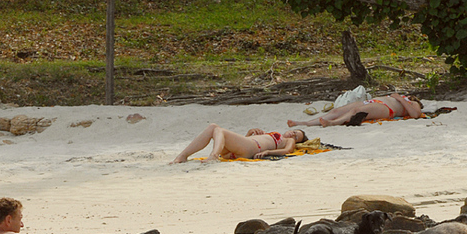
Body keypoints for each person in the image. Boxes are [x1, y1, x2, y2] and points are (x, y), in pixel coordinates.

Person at [170, 124, 307, 163]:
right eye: (294, 131)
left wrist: (268, 152)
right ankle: (182, 156)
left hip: (254, 148)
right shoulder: (273, 133)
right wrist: (249, 134)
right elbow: (240, 141)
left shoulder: (288, 141)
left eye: (296, 136)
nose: (292, 135)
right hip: (247, 144)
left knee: (217, 129)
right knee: (213, 128)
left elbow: (287, 151)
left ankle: (214, 155)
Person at [287, 92, 423, 127]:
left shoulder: (413, 103)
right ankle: (304, 123)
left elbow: (415, 115)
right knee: (336, 111)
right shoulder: (403, 97)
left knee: (356, 110)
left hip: (386, 108)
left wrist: (400, 99)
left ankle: (333, 123)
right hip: (374, 101)